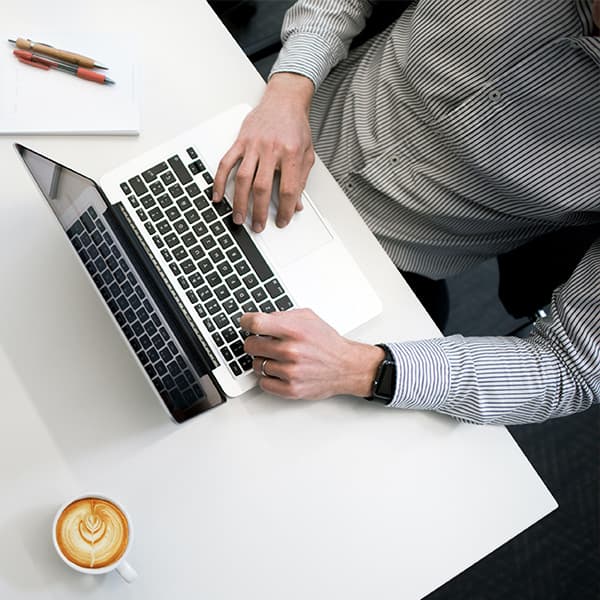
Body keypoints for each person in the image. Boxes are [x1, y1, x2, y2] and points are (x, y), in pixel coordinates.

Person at [212, 0, 600, 425]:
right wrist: (290, 87)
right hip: (264, 124)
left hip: (377, 272)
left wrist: (362, 369)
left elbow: (570, 367)